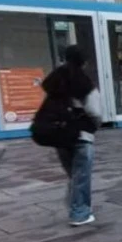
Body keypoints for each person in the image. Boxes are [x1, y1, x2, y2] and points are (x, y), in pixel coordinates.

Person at [41, 45, 102, 226]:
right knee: (81, 175)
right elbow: (95, 112)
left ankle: (76, 204)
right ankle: (79, 213)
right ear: (84, 63)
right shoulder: (84, 83)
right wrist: (93, 127)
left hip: (60, 135)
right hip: (80, 135)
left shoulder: (54, 83)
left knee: (74, 175)